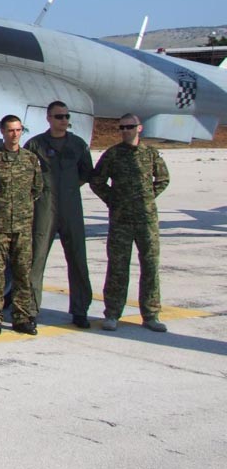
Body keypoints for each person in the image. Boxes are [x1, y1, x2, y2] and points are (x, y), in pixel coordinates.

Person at [90, 114, 170, 333]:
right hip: (121, 220)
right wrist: (113, 199)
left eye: (130, 127)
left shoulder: (150, 153)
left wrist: (147, 197)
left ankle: (151, 315)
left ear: (139, 128)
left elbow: (163, 179)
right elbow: (96, 181)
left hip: (146, 220)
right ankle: (112, 314)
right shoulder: (113, 154)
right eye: (122, 127)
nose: (126, 130)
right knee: (117, 267)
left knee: (150, 266)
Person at [24, 101, 94, 328]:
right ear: (49, 118)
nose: (64, 120)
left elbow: (86, 172)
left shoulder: (78, 144)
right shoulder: (35, 145)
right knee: (36, 259)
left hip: (71, 207)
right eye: (59, 116)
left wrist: (69, 187)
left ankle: (80, 310)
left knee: (78, 259)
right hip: (44, 207)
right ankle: (30, 310)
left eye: (66, 116)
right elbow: (26, 174)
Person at [0, 115, 44, 335]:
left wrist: (23, 207)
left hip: (23, 228)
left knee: (22, 273)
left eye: (17, 130)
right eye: (10, 130)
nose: (14, 134)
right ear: (3, 133)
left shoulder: (30, 159)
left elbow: (37, 188)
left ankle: (21, 318)